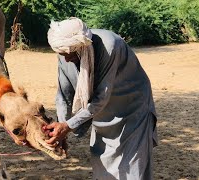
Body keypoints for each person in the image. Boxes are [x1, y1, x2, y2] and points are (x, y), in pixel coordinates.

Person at [43, 17, 158, 180]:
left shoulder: (110, 46)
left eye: (68, 54)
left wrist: (68, 126)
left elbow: (100, 98)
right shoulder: (65, 53)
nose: (66, 59)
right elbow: (64, 94)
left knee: (131, 167)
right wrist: (62, 127)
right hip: (102, 115)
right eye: (61, 54)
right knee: (103, 165)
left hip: (133, 110)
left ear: (81, 47)